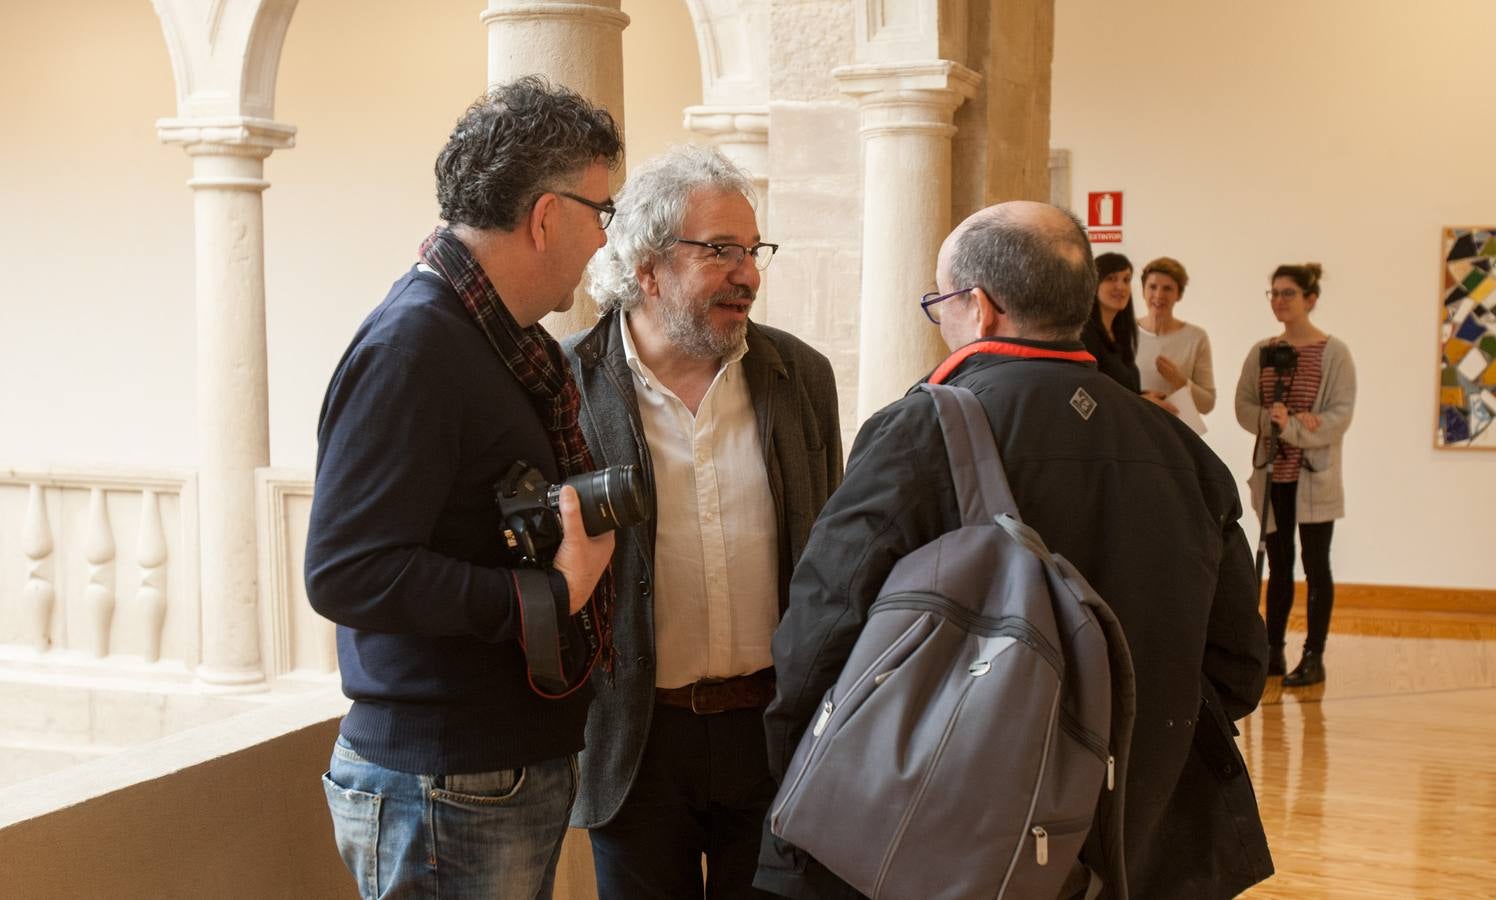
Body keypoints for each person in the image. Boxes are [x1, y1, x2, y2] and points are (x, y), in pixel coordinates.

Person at [760, 201, 1273, 899]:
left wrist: (794, 758)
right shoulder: (1183, 452)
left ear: (979, 305)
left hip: (958, 835)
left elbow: (823, 626)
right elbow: (1240, 666)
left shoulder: (919, 432)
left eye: (938, 303)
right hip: (1136, 839)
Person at [304, 77, 623, 899]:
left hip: (481, 773)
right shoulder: (416, 346)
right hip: (446, 780)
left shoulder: (491, 339)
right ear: (546, 216)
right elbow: (346, 570)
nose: (603, 241)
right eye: (602, 212)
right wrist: (547, 594)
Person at [562, 144, 843, 899]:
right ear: (647, 266)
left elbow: (833, 563)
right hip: (635, 745)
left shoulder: (799, 378)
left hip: (774, 733)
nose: (747, 273)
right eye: (720, 250)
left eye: (753, 251)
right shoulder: (565, 385)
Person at [1234, 263, 1355, 688]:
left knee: (1316, 565)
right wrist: (1272, 420)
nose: (1280, 301)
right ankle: (1272, 651)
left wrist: (1293, 428)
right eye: (1274, 293)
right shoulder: (1262, 351)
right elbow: (1244, 406)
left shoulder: (1333, 352)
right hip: (1273, 478)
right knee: (1278, 565)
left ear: (1311, 298)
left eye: (1288, 293)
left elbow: (1339, 416)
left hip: (1314, 477)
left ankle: (1315, 655)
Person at [1136, 256, 1216, 416]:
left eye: (1167, 289)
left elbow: (1207, 404)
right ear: (1143, 291)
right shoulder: (1124, 333)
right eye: (1152, 287)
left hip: (1178, 435)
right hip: (1135, 430)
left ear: (1179, 294)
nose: (1158, 295)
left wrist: (1180, 381)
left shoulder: (1196, 338)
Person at [1081, 251, 1140, 391]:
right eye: (1111, 278)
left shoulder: (1121, 332)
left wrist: (1144, 397)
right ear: (1094, 284)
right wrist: (1141, 401)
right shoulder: (1085, 332)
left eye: (1126, 280)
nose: (1121, 287)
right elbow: (1089, 391)